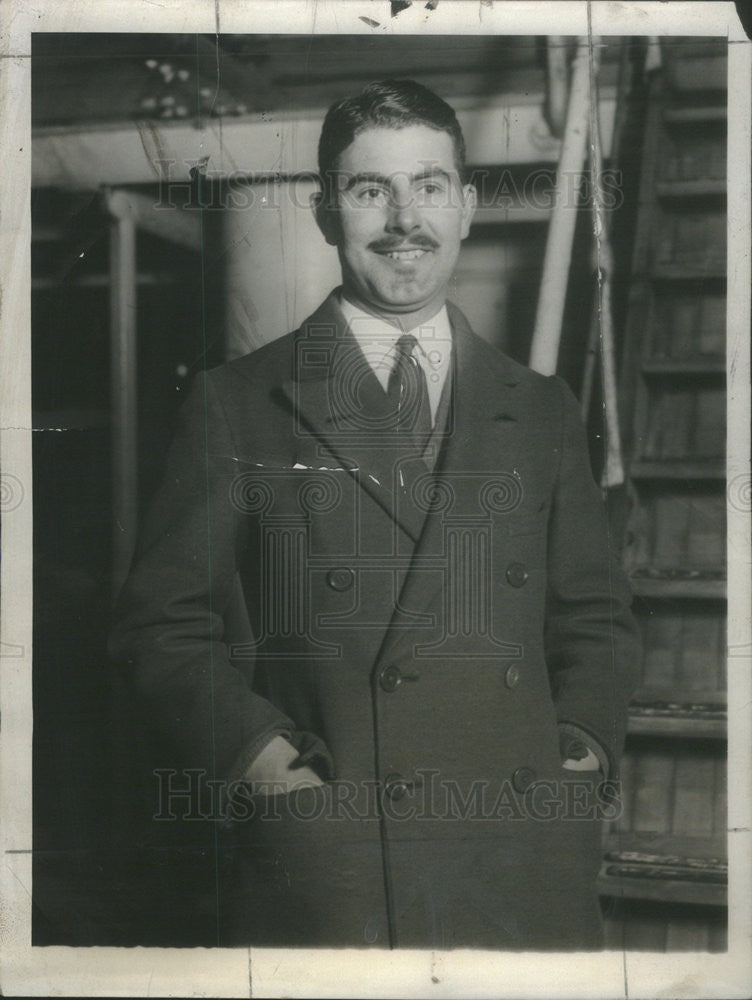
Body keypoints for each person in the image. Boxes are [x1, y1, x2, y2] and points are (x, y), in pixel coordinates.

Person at [109, 79, 640, 950]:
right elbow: (160, 624)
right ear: (326, 212)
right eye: (370, 190)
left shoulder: (541, 407)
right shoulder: (237, 403)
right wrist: (259, 760)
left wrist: (578, 747)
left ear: (465, 207)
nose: (404, 219)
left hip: (519, 861)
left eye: (428, 186)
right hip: (338, 864)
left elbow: (600, 617)